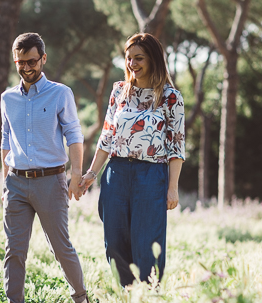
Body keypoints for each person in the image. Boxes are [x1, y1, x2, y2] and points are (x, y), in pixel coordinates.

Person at [78, 33, 184, 286]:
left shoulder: (170, 96)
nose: (132, 64)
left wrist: (172, 188)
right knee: (113, 240)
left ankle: (148, 297)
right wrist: (91, 174)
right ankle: (127, 294)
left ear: (153, 59)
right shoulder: (119, 92)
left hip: (151, 176)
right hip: (116, 174)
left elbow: (176, 146)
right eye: (128, 58)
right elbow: (106, 136)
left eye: (139, 58)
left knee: (147, 242)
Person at [1, 32, 89, 303]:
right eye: (20, 63)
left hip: (51, 182)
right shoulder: (7, 98)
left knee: (61, 248)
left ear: (43, 59)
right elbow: (5, 139)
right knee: (14, 250)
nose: (26, 68)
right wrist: (5, 179)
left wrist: (76, 174)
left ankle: (82, 301)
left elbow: (74, 134)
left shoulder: (61, 93)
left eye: (31, 61)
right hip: (15, 183)